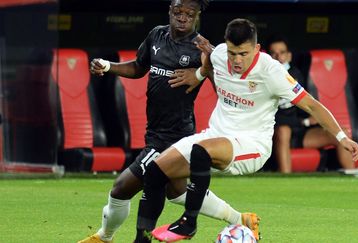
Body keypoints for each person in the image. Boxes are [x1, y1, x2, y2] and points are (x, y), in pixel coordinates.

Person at [135, 18, 358, 242]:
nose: (236, 60)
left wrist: (341, 137)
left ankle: (189, 223)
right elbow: (209, 63)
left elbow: (311, 104)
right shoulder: (219, 54)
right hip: (214, 136)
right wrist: (198, 75)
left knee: (200, 151)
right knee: (155, 172)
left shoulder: (271, 71)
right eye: (233, 53)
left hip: (252, 145)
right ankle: (142, 240)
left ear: (257, 48)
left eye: (243, 54)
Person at [78, 2, 259, 243]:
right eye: (178, 12)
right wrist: (108, 66)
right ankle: (241, 220)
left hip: (175, 135)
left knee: (121, 188)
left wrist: (201, 73)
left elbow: (225, 87)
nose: (183, 18)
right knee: (177, 192)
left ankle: (105, 237)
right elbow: (139, 67)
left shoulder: (202, 48)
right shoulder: (156, 35)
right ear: (170, 11)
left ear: (197, 16)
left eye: (189, 14)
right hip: (154, 130)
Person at [267, 37, 358, 174]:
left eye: (282, 52)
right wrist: (303, 121)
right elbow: (271, 117)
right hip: (275, 134)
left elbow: (307, 107)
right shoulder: (263, 78)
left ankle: (354, 178)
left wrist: (309, 120)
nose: (279, 57)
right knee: (284, 130)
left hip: (299, 132)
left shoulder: (295, 74)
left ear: (289, 55)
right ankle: (285, 180)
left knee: (343, 133)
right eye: (274, 53)